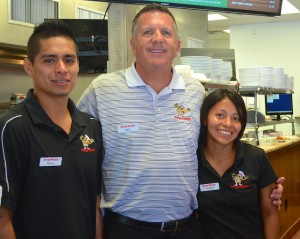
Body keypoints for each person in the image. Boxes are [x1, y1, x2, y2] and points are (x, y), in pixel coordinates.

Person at [77, 3, 284, 239]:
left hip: (186, 229)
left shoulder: (195, 92)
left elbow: (216, 143)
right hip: (126, 228)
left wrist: (263, 187)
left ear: (177, 46)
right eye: (148, 32)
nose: (158, 39)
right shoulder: (102, 89)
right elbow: (73, 141)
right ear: (133, 44)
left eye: (166, 33)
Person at [0, 20, 104, 239]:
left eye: (69, 60)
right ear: (29, 66)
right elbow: (3, 218)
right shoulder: (13, 127)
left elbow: (94, 204)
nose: (61, 69)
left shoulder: (91, 127)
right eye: (49, 60)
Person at [197, 89, 280, 239]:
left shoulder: (256, 157)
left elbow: (270, 213)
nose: (228, 124)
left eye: (236, 118)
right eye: (220, 115)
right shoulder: (192, 161)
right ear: (205, 118)